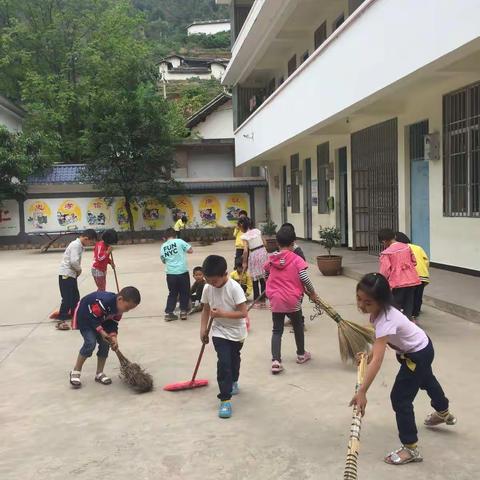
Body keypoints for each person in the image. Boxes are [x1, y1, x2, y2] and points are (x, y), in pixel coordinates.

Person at [350, 273, 456, 465]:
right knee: (426, 380)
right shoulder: (380, 313)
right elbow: (379, 344)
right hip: (421, 347)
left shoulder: (386, 319)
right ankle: (443, 412)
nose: (361, 306)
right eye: (359, 299)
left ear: (382, 301)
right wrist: (368, 355)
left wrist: (363, 391)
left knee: (400, 398)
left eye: (368, 302)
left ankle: (411, 448)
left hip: (417, 354)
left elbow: (379, 359)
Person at [264, 227, 319, 374]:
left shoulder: (272, 258)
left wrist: (269, 283)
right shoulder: (296, 259)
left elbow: (266, 272)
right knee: (298, 326)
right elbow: (304, 277)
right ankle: (301, 354)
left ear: (277, 243)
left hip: (275, 299)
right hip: (292, 299)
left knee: (277, 329)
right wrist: (312, 292)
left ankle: (276, 361)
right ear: (293, 242)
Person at [200, 255, 248, 419]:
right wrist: (202, 329)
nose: (211, 284)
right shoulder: (207, 288)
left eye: (214, 281)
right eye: (208, 281)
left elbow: (243, 313)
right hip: (219, 330)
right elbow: (206, 309)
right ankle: (225, 400)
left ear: (224, 274)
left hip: (237, 332)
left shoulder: (234, 288)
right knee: (224, 363)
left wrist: (222, 313)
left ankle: (234, 380)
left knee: (234, 360)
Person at [69, 286, 141, 388]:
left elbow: (113, 323)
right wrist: (102, 332)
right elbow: (92, 318)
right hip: (85, 317)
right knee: (90, 342)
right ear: (120, 299)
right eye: (127, 308)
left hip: (101, 320)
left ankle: (99, 373)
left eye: (130, 309)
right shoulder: (104, 302)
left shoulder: (119, 309)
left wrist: (113, 337)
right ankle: (76, 371)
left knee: (105, 344)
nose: (127, 311)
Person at [56, 229, 97, 331]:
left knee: (75, 298)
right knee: (67, 298)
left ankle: (76, 317)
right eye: (90, 242)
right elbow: (74, 261)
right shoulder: (76, 245)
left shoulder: (79, 245)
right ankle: (61, 320)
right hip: (66, 274)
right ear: (86, 238)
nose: (90, 244)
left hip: (71, 274)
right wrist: (79, 270)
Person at [378, 228, 420, 320]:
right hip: (412, 280)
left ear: (384, 241)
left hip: (398, 282)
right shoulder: (407, 247)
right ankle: (408, 322)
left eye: (382, 243)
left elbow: (385, 271)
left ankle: (396, 324)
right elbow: (414, 262)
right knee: (409, 304)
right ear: (395, 236)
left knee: (395, 305)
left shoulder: (386, 253)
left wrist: (381, 282)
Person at [395, 232, 430, 321]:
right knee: (418, 294)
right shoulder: (418, 248)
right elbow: (426, 260)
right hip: (423, 275)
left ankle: (409, 313)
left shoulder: (401, 249)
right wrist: (424, 270)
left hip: (411, 275)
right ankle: (416, 312)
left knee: (410, 295)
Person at [160, 227, 193, 321]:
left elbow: (163, 260)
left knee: (172, 293)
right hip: (182, 271)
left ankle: (169, 313)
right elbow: (190, 250)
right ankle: (183, 312)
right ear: (175, 235)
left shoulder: (163, 246)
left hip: (170, 273)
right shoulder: (179, 241)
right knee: (184, 292)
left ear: (165, 237)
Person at [239, 217, 268, 308]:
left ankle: (256, 300)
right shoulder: (257, 231)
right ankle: (263, 299)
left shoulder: (244, 236)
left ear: (242, 225)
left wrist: (244, 262)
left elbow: (245, 251)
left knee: (254, 278)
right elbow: (265, 243)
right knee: (263, 276)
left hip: (254, 254)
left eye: (239, 227)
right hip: (263, 252)